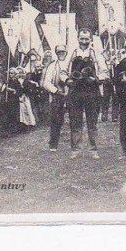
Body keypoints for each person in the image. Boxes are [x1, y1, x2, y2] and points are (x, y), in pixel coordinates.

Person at [65, 30, 102, 160]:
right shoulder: (72, 53)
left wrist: (97, 79)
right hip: (75, 91)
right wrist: (67, 80)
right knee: (75, 121)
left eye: (87, 39)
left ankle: (93, 150)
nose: (84, 42)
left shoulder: (95, 53)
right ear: (78, 39)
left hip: (91, 91)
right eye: (82, 39)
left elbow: (104, 71)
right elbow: (63, 71)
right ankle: (76, 149)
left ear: (90, 39)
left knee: (92, 122)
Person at [42, 44, 72, 152]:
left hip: (71, 95)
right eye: (59, 52)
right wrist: (56, 91)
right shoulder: (52, 66)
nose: (61, 54)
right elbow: (46, 83)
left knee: (74, 120)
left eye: (63, 52)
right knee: (56, 120)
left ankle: (74, 146)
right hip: (57, 96)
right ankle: (53, 144)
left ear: (66, 52)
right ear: (56, 53)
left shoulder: (71, 64)